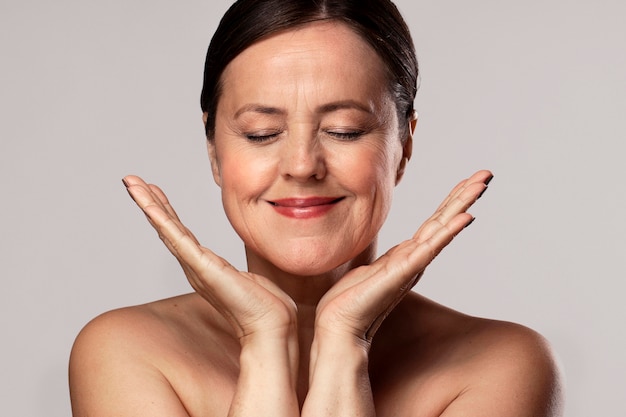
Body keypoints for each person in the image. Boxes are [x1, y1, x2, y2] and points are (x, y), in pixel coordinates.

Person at [69, 0, 563, 416]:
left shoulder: (500, 365)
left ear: (405, 146)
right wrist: (265, 341)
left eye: (345, 130)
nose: (303, 165)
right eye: (262, 133)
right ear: (214, 151)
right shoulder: (125, 352)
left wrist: (345, 343)